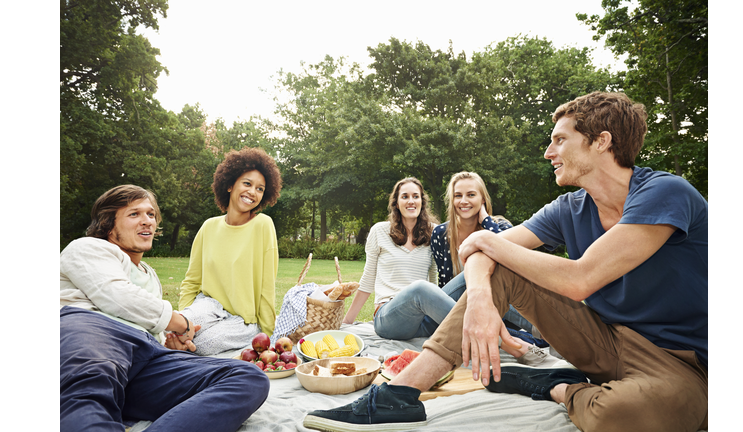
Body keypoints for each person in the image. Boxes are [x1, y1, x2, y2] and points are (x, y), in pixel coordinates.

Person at [303, 91, 708, 432]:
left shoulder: (664, 192)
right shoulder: (569, 208)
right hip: (603, 339)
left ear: (601, 141)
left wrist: (484, 240)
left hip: (679, 359)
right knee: (499, 269)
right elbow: (478, 253)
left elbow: (581, 278)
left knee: (619, 416)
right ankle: (397, 395)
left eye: (560, 140)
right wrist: (480, 295)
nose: (549, 152)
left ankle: (554, 386)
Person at [60, 185, 269, 432]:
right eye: (134, 214)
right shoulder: (87, 248)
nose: (147, 221)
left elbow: (149, 322)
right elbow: (117, 296)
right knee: (87, 406)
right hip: (94, 334)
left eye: (151, 214)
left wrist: (169, 344)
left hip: (144, 362)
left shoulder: (150, 275)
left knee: (247, 378)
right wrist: (182, 323)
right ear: (108, 223)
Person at [167, 147, 282, 356]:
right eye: (247, 184)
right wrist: (184, 319)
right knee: (173, 328)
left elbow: (267, 287)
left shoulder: (263, 225)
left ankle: (176, 354)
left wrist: (268, 336)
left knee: (201, 345)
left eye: (260, 189)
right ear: (230, 185)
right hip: (207, 305)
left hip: (242, 321)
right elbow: (191, 281)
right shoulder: (208, 227)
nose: (252, 192)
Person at [432, 171, 552, 363]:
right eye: (458, 195)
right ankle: (540, 328)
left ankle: (539, 330)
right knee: (471, 271)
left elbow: (511, 262)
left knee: (483, 269)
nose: (464, 201)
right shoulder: (440, 233)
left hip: (495, 305)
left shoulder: (500, 226)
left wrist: (486, 221)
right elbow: (445, 281)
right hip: (456, 307)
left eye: (471, 195)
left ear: (482, 199)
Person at [342, 177, 450, 340]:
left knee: (464, 281)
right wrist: (346, 322)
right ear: (396, 203)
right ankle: (480, 332)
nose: (411, 201)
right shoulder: (379, 231)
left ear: (422, 201)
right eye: (405, 196)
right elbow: (368, 279)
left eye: (416, 196)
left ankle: (493, 330)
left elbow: (434, 280)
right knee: (419, 288)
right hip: (388, 319)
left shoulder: (435, 232)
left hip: (421, 321)